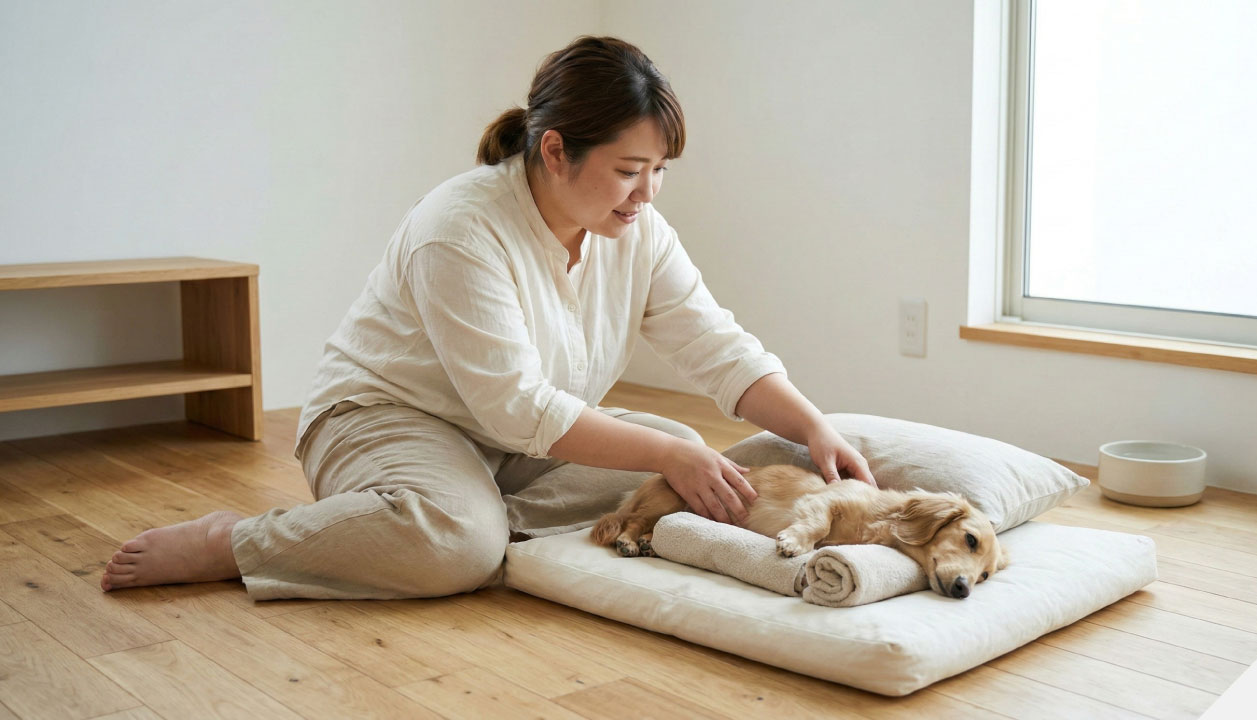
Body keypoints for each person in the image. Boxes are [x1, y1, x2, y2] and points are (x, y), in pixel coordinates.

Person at [100, 35, 875, 601]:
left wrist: (812, 426)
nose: (647, 195)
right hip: (381, 418)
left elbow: (715, 345)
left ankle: (448, 511)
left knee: (678, 448)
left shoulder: (636, 233)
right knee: (462, 548)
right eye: (630, 172)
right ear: (555, 151)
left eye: (660, 173)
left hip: (510, 445)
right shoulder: (460, 228)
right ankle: (233, 542)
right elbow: (518, 406)